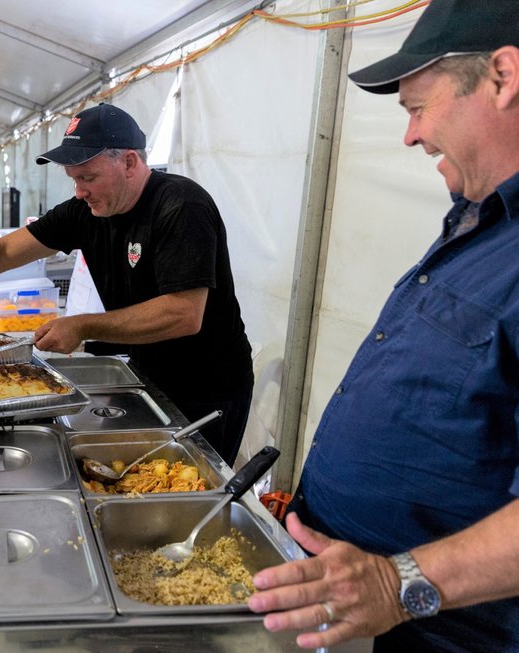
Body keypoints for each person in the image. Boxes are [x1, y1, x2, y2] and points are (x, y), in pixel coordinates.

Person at [247, 3, 519, 651]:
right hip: (382, 619)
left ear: (503, 77)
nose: (411, 136)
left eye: (418, 108)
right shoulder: (475, 218)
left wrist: (400, 582)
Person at [0, 102, 254, 465]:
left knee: (190, 486)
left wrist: (83, 326)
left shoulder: (181, 207)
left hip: (208, 387)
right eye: (73, 179)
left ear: (130, 163)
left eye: (87, 177)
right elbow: (5, 251)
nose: (79, 191)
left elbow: (183, 313)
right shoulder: (86, 211)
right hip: (146, 372)